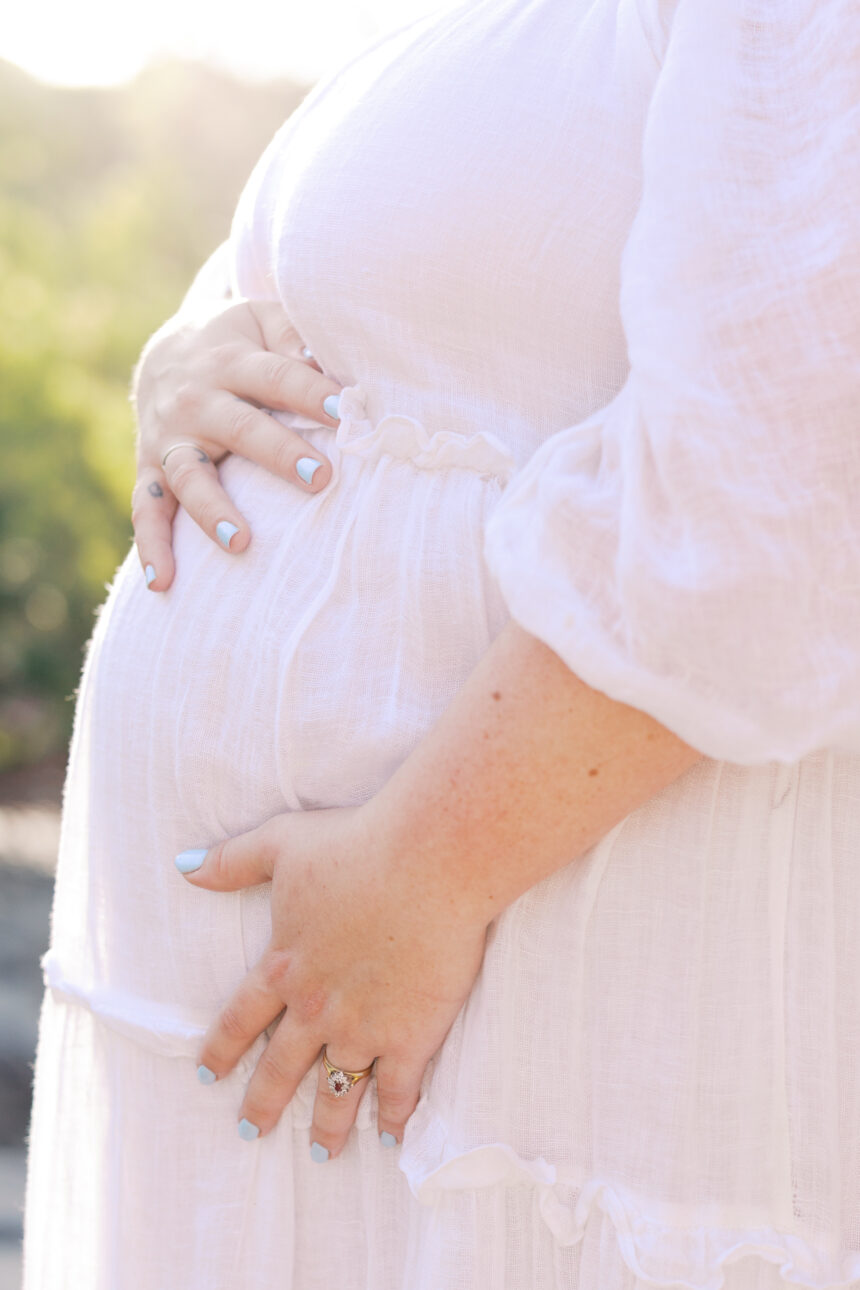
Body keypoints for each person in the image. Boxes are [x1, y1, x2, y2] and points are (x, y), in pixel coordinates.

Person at [22, 0, 860, 1286]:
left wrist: (426, 869)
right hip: (362, 1074)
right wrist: (186, 358)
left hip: (511, 1054)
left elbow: (788, 482)